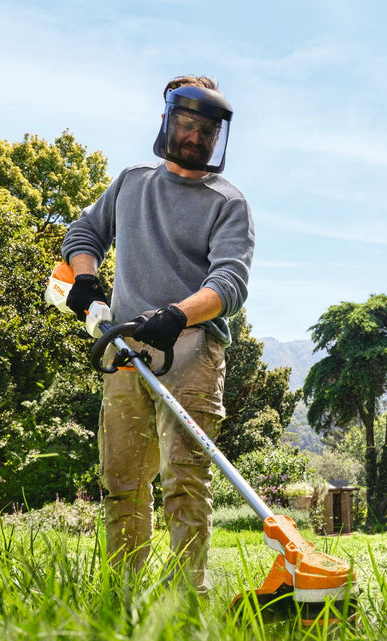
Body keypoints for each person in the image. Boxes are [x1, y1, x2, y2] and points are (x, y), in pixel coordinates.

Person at [61, 75, 254, 595]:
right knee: (122, 483)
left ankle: (188, 603)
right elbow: (82, 234)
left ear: (218, 137)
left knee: (185, 481)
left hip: (191, 348)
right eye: (186, 124)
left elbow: (229, 283)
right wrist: (85, 276)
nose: (195, 137)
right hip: (124, 347)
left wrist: (176, 315)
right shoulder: (132, 182)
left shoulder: (227, 201)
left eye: (207, 131)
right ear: (168, 121)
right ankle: (123, 599)